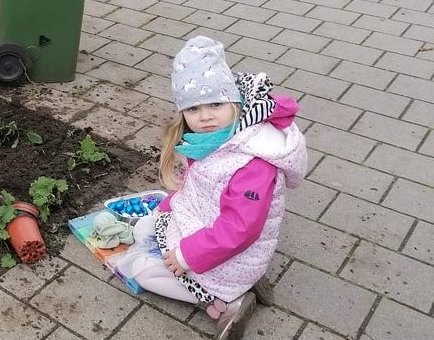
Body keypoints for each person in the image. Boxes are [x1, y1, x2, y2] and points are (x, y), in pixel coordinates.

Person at [108, 36, 307, 340]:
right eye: (193, 109)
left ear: (235, 101)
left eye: (215, 104)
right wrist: (169, 206)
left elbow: (242, 228)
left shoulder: (253, 162)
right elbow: (199, 188)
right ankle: (189, 268)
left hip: (232, 251)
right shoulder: (214, 140)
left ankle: (224, 302)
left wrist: (186, 255)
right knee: (142, 229)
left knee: (144, 274)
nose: (205, 117)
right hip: (207, 226)